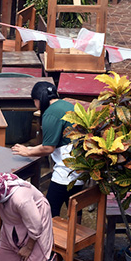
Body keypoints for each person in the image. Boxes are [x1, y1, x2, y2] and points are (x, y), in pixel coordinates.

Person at [11, 81, 83, 218]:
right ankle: (76, 232)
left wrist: (28, 151)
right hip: (81, 163)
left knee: (49, 208)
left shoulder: (50, 114)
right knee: (74, 202)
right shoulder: (66, 104)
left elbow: (48, 147)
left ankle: (49, 236)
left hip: (67, 168)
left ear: (38, 100)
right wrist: (32, 148)